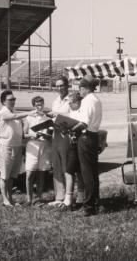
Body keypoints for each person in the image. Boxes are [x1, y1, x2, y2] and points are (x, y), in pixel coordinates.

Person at [0, 90, 35, 207]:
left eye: (14, 99)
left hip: (16, 146)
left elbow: (22, 123)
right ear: (3, 101)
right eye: (10, 100)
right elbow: (14, 117)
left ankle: (10, 199)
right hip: (5, 146)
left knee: (12, 176)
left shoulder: (14, 111)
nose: (13, 101)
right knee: (4, 175)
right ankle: (5, 200)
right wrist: (29, 113)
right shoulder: (3, 112)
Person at [75, 74, 103, 216]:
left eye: (80, 88)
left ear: (85, 88)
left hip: (85, 137)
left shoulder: (87, 101)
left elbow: (83, 123)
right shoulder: (96, 100)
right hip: (93, 136)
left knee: (87, 173)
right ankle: (95, 203)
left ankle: (88, 206)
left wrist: (70, 128)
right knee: (92, 172)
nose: (79, 91)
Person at [23, 95, 52, 206]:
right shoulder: (29, 117)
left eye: (41, 104)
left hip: (45, 146)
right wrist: (32, 135)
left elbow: (51, 134)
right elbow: (24, 134)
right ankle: (29, 199)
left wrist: (47, 136)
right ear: (34, 105)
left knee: (42, 173)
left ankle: (39, 198)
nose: (39, 106)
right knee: (30, 173)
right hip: (32, 146)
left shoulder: (47, 117)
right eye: (37, 104)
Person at [48, 76, 71, 206]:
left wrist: (56, 114)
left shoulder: (72, 99)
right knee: (56, 167)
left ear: (67, 86)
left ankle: (68, 197)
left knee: (66, 167)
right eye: (57, 86)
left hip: (66, 135)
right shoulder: (56, 100)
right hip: (55, 135)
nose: (59, 88)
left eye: (61, 85)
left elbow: (74, 116)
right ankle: (59, 197)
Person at [61, 92, 85, 210]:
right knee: (77, 172)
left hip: (78, 144)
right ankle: (80, 198)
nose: (69, 105)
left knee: (70, 172)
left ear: (76, 102)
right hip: (72, 144)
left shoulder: (81, 112)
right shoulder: (72, 112)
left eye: (70, 102)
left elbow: (82, 125)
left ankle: (69, 201)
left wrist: (70, 129)